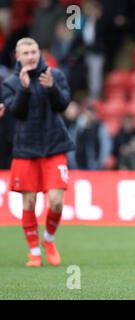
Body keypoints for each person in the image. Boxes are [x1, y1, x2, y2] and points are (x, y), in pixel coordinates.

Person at [2, 37, 74, 267]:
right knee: (29, 202)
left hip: (54, 145)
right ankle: (34, 251)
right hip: (26, 149)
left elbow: (63, 105)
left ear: (39, 52)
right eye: (26, 53)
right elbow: (17, 113)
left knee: (55, 202)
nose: (31, 56)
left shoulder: (55, 75)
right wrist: (23, 89)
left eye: (34, 51)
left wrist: (51, 87)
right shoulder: (11, 83)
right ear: (18, 56)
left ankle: (49, 240)